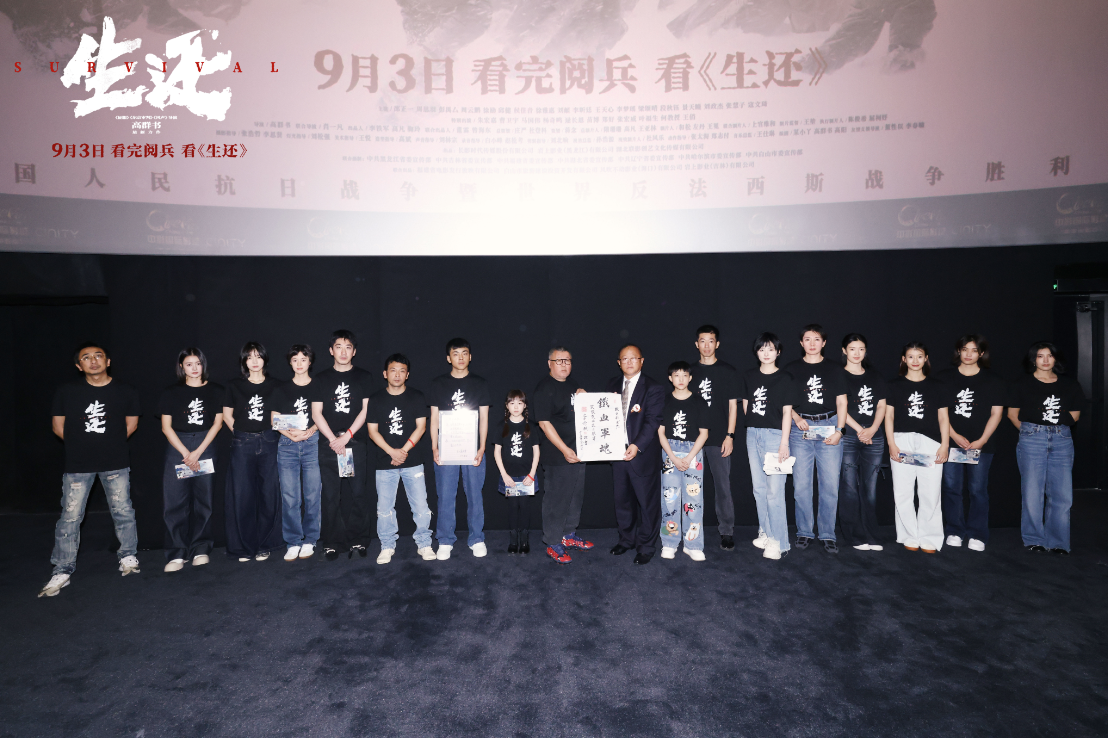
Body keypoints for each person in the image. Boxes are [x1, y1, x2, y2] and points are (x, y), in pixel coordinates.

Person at [39, 343, 142, 598]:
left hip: (115, 461)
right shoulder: (67, 392)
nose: (93, 361)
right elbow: (57, 427)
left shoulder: (126, 390)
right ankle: (62, 569)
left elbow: (131, 424)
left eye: (98, 356)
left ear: (108, 361)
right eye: (86, 357)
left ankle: (128, 556)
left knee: (123, 511)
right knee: (70, 516)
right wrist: (82, 447)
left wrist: (109, 446)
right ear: (79, 365)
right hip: (78, 465)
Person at [1008, 341, 1085, 555]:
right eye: (1040, 356)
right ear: (1033, 359)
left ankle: (1058, 541)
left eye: (1049, 355)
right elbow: (1012, 414)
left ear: (1056, 359)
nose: (1045, 360)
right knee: (1032, 491)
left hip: (1062, 438)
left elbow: (1075, 415)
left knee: (1062, 493)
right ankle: (1034, 538)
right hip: (1032, 437)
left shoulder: (1070, 384)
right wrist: (1031, 432)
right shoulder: (1021, 383)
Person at [158, 348, 224, 573]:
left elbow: (217, 424)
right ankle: (177, 552)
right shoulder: (171, 392)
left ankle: (201, 548)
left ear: (203, 365)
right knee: (175, 501)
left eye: (198, 363)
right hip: (178, 446)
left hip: (205, 445)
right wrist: (186, 453)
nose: (194, 368)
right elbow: (166, 427)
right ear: (181, 367)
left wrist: (197, 453)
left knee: (204, 500)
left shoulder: (216, 390)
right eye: (189, 364)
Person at [366, 354, 436, 564]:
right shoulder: (376, 399)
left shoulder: (416, 396)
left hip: (413, 460)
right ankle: (387, 545)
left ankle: (424, 543)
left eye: (402, 371)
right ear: (385, 373)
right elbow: (372, 431)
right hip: (384, 461)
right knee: (384, 508)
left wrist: (402, 451)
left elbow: (421, 427)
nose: (397, 375)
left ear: (407, 374)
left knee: (421, 506)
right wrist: (391, 452)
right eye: (393, 370)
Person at [939, 335, 1005, 552]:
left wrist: (982, 440)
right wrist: (953, 435)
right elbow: (939, 412)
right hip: (951, 442)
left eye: (974, 350)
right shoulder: (944, 378)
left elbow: (997, 413)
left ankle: (977, 534)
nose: (968, 354)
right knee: (951, 488)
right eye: (964, 349)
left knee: (978, 490)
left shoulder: (993, 380)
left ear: (981, 353)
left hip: (981, 445)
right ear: (958, 351)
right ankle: (954, 530)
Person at [785, 324, 848, 554]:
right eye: (807, 339)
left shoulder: (835, 368)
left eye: (817, 339)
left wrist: (840, 430)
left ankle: (828, 534)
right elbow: (784, 402)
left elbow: (842, 402)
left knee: (830, 485)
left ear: (824, 342)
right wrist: (796, 417)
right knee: (801, 486)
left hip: (829, 426)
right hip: (800, 430)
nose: (812, 343)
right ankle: (804, 531)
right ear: (801, 343)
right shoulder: (791, 369)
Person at [310, 330, 372, 561]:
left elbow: (366, 411)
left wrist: (347, 437)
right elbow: (316, 413)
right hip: (329, 445)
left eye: (348, 347)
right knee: (330, 496)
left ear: (354, 351)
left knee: (358, 494)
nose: (343, 352)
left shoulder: (364, 377)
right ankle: (332, 542)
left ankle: (359, 539)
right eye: (338, 347)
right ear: (331, 350)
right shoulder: (321, 379)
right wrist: (333, 440)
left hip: (354, 442)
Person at [428, 338, 491, 560]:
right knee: (445, 495)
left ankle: (477, 538)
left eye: (464, 353)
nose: (460, 357)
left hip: (472, 448)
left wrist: (482, 447)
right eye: (456, 354)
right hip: (447, 447)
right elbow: (434, 419)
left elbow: (484, 418)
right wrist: (434, 447)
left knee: (475, 495)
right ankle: (445, 540)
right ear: (449, 358)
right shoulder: (438, 383)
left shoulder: (480, 383)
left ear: (470, 356)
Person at [884, 342, 950, 553]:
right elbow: (888, 416)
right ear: (904, 359)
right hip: (901, 440)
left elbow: (943, 418)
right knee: (902, 492)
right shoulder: (893, 385)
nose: (915, 361)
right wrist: (891, 443)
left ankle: (930, 537)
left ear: (926, 358)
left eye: (919, 356)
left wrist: (945, 445)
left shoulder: (937, 385)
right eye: (910, 356)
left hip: (930, 442)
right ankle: (909, 535)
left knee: (931, 492)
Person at [222, 341, 283, 563]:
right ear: (244, 361)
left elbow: (280, 415)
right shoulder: (234, 385)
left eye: (258, 356)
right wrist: (242, 433)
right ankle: (243, 547)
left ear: (265, 358)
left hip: (269, 441)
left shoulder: (276, 385)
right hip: (242, 443)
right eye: (249, 357)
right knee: (242, 495)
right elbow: (227, 415)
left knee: (269, 494)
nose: (254, 361)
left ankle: (266, 544)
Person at [607, 344, 666, 565]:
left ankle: (646, 546)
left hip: (642, 454)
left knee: (647, 503)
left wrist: (637, 445)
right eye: (625, 358)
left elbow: (653, 421)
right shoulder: (612, 385)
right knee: (622, 501)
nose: (629, 362)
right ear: (619, 362)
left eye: (634, 358)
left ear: (642, 361)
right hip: (616, 453)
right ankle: (626, 540)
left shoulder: (653, 387)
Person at [533, 347, 592, 565]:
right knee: (556, 500)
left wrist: (586, 398)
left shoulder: (573, 384)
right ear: (549, 363)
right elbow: (544, 423)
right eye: (559, 361)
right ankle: (553, 542)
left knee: (575, 497)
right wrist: (564, 450)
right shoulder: (544, 388)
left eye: (568, 360)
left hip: (578, 451)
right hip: (558, 455)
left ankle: (568, 535)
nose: (564, 364)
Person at [741, 333, 796, 561]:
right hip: (753, 434)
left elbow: (787, 412)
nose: (766, 353)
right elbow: (746, 405)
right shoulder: (749, 376)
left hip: (775, 436)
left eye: (771, 349)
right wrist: (754, 427)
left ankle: (779, 542)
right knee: (759, 489)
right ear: (756, 352)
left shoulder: (785, 378)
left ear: (778, 352)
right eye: (762, 349)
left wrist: (784, 442)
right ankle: (766, 531)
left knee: (775, 492)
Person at [689, 324, 740, 551]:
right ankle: (690, 528)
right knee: (691, 487)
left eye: (711, 341)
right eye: (703, 341)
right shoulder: (689, 372)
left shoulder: (728, 371)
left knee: (722, 486)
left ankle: (727, 531)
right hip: (693, 439)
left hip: (719, 437)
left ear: (717, 344)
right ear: (697, 344)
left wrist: (730, 435)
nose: (707, 345)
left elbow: (733, 407)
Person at [270, 344, 321, 561]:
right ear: (290, 363)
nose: (299, 364)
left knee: (312, 494)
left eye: (303, 359)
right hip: (287, 444)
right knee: (290, 496)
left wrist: (309, 431)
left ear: (310, 361)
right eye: (295, 360)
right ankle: (293, 541)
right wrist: (292, 435)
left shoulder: (319, 386)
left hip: (312, 442)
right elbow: (274, 419)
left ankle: (310, 539)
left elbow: (323, 416)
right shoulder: (281, 389)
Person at [837, 333, 887, 552]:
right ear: (844, 351)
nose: (857, 353)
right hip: (848, 435)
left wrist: (873, 429)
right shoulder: (838, 375)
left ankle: (872, 534)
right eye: (852, 349)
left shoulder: (875, 376)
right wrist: (859, 430)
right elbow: (840, 407)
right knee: (849, 487)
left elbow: (882, 405)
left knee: (870, 488)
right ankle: (854, 536)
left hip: (874, 437)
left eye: (861, 349)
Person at [657, 361, 711, 562]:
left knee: (694, 500)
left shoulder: (699, 401)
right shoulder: (664, 401)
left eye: (684, 375)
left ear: (690, 378)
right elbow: (660, 432)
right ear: (670, 378)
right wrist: (672, 457)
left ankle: (693, 544)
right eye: (676, 375)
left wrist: (688, 458)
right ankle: (669, 542)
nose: (680, 379)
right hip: (669, 451)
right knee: (669, 499)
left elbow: (704, 433)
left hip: (693, 451)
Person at [491, 390, 542, 555]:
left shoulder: (531, 426)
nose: (516, 406)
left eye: (520, 403)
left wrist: (532, 474)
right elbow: (497, 452)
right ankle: (513, 540)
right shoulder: (501, 426)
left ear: (525, 405)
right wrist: (504, 475)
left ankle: (524, 540)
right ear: (507, 406)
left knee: (525, 506)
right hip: (509, 476)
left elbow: (536, 451)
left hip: (527, 475)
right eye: (512, 403)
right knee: (513, 507)